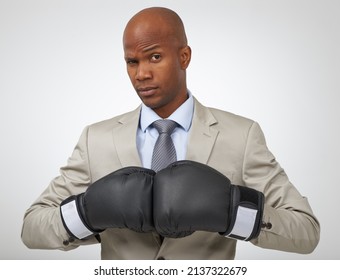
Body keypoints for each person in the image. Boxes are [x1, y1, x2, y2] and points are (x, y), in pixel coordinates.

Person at [21, 7, 320, 260]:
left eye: (154, 57)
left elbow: (306, 231)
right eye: (131, 61)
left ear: (184, 57)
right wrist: (86, 215)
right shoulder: (95, 139)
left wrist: (233, 214)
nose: (141, 74)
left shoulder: (240, 136)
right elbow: (32, 227)